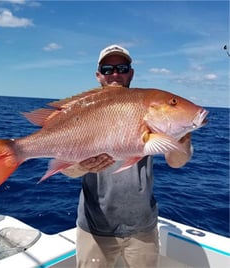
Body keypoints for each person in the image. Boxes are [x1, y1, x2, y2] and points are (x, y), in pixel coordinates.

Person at [63, 44, 192, 268]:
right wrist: (83, 166)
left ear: (131, 73)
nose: (115, 74)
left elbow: (176, 162)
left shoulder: (146, 106)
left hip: (142, 228)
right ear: (98, 75)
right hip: (95, 228)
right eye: (107, 69)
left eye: (121, 68)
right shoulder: (82, 111)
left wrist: (182, 133)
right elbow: (68, 170)